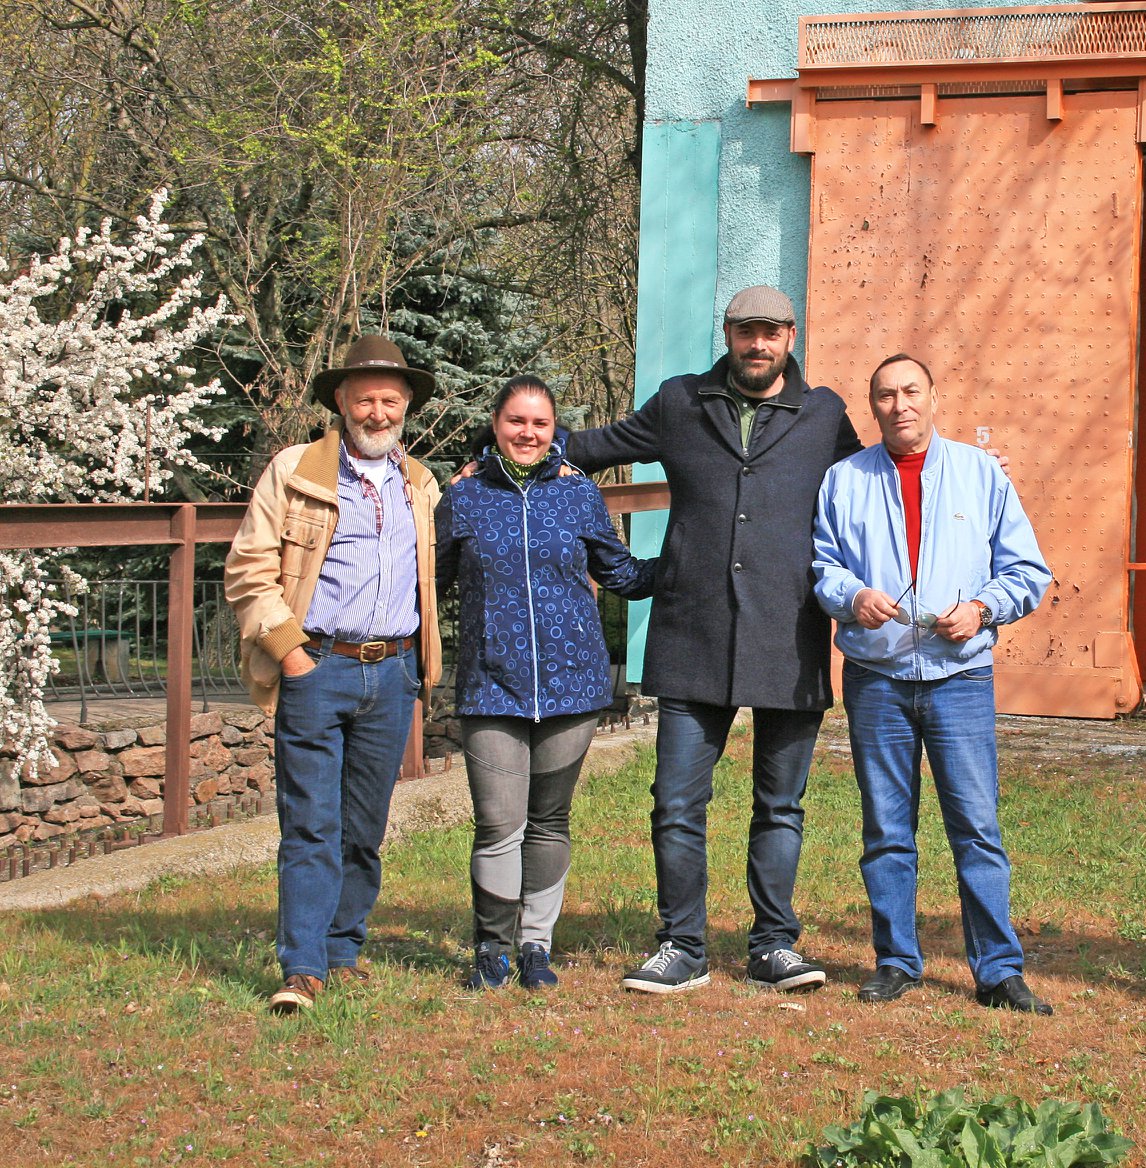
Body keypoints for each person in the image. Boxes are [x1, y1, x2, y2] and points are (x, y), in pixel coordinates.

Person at [563, 286, 862, 994]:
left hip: (787, 635)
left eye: (770, 332)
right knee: (675, 800)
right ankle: (682, 946)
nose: (757, 344)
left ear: (791, 336)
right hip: (691, 629)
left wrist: (962, 474)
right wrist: (506, 450)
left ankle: (774, 946)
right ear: (726, 333)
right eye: (744, 331)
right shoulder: (680, 402)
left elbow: (874, 485)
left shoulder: (824, 416)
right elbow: (592, 447)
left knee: (780, 804)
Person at [813, 354, 1055, 1014]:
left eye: (911, 391)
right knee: (887, 829)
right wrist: (852, 594)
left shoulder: (981, 476)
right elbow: (823, 565)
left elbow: (1028, 570)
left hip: (959, 679)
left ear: (935, 398)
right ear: (874, 406)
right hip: (877, 678)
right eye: (885, 395)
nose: (900, 405)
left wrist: (982, 608)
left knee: (976, 827)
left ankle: (998, 970)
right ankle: (896, 960)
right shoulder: (845, 480)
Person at [224, 335, 443, 1014]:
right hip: (318, 667)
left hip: (394, 671)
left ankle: (344, 948)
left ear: (406, 406)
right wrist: (292, 654)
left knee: (364, 827)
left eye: (390, 400)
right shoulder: (295, 472)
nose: (378, 412)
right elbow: (247, 571)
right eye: (365, 399)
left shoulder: (420, 483)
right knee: (311, 823)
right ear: (341, 403)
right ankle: (302, 964)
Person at [435, 376, 656, 991]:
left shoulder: (579, 493)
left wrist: (693, 561)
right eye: (516, 422)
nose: (528, 434)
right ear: (497, 424)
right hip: (490, 684)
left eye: (540, 424)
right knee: (498, 821)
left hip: (572, 684)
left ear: (554, 430)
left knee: (549, 821)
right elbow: (431, 582)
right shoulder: (464, 497)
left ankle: (537, 945)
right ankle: (491, 948)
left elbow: (621, 573)